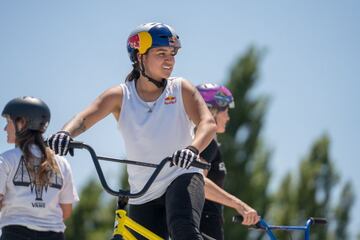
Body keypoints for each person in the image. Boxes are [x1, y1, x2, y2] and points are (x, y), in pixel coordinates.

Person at [46, 22, 217, 240]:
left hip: (181, 175)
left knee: (183, 231)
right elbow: (84, 118)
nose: (170, 60)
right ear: (139, 57)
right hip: (143, 190)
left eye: (172, 54)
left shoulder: (180, 88)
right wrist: (65, 134)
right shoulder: (120, 96)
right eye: (161, 53)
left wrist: (192, 149)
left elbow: (207, 123)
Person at [0, 96, 79, 240]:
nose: (5, 128)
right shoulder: (61, 163)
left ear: (22, 123)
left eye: (8, 122)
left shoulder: (5, 160)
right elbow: (66, 211)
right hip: (54, 235)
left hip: (15, 234)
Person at [196, 83, 260, 240]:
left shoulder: (201, 140)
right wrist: (240, 205)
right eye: (226, 111)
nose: (228, 117)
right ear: (213, 110)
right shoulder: (207, 140)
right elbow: (197, 180)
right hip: (203, 226)